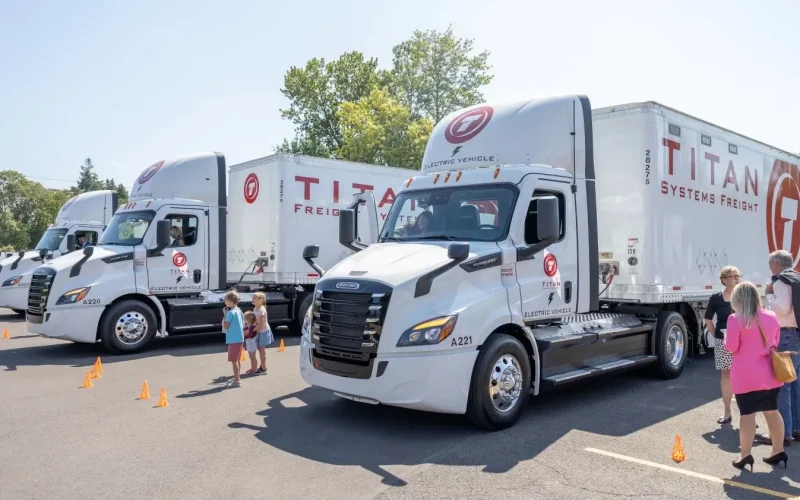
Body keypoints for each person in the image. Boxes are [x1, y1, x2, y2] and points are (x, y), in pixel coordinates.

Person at [725, 281, 787, 470]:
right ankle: (778, 450)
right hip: (770, 374)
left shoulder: (735, 319)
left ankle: (745, 455)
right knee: (772, 412)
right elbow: (775, 342)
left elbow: (731, 347)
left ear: (737, 299)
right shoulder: (771, 316)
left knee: (747, 415)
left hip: (746, 377)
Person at [766, 249, 800, 444]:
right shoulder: (797, 278)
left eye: (771, 264)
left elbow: (781, 309)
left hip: (786, 333)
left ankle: (784, 433)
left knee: (783, 385)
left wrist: (769, 296)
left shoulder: (780, 281)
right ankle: (796, 429)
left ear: (777, 264)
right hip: (797, 334)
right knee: (796, 384)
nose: (770, 267)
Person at [704, 265, 741, 424]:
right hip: (723, 342)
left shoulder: (744, 295)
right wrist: (716, 336)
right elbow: (708, 320)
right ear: (724, 279)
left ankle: (748, 414)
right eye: (733, 276)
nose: (737, 278)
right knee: (726, 376)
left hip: (743, 341)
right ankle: (727, 412)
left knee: (742, 376)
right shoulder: (716, 298)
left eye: (738, 276)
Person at [222, 290, 245, 387]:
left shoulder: (230, 313)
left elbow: (226, 326)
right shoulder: (238, 310)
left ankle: (237, 380)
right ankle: (237, 377)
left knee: (234, 361)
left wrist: (224, 315)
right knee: (237, 360)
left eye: (226, 300)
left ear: (230, 301)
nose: (225, 302)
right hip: (240, 339)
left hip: (233, 340)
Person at [252, 292, 273, 374]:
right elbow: (255, 322)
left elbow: (260, 324)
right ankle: (262, 366)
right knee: (260, 349)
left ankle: (264, 368)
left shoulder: (261, 310)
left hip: (263, 332)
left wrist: (251, 332)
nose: (253, 299)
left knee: (262, 350)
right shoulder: (255, 309)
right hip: (259, 331)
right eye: (253, 298)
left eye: (255, 298)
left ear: (261, 300)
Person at [243, 311, 259, 375]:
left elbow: (250, 335)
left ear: (249, 319)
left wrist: (244, 336)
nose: (243, 319)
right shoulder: (247, 325)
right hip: (249, 343)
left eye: (244, 318)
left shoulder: (252, 326)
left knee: (253, 357)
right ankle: (253, 368)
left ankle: (255, 369)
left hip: (252, 343)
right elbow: (244, 330)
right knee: (250, 356)